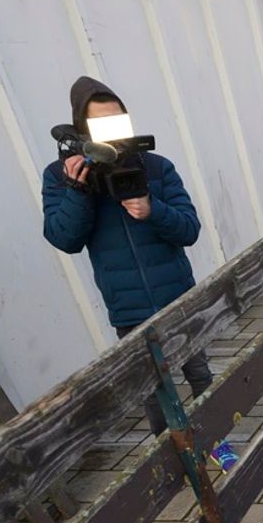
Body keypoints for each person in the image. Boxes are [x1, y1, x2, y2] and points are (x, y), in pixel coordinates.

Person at [41, 76, 212, 435]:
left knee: (200, 378)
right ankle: (175, 465)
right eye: (99, 124)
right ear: (81, 129)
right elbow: (64, 238)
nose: (111, 133)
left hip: (177, 297)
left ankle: (218, 444)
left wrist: (154, 209)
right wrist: (78, 189)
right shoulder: (62, 175)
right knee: (152, 393)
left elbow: (189, 229)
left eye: (118, 121)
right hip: (127, 310)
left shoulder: (156, 167)